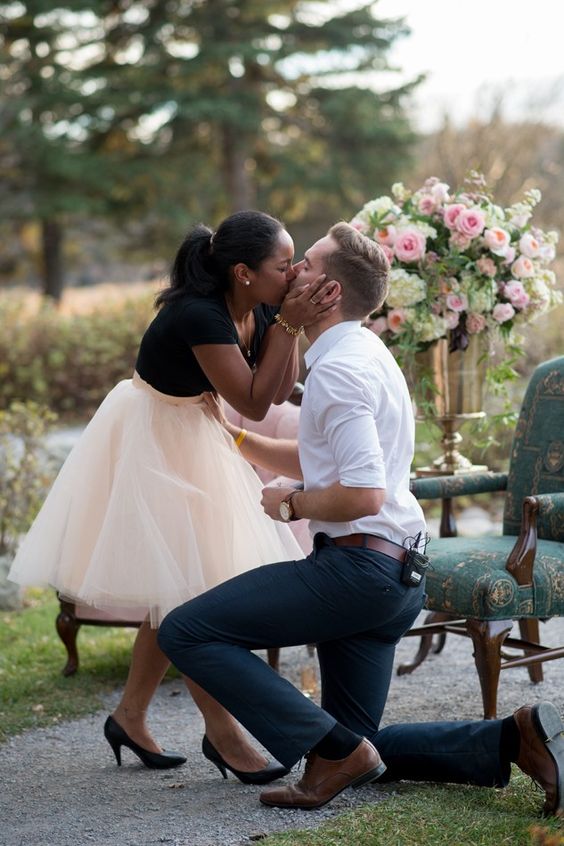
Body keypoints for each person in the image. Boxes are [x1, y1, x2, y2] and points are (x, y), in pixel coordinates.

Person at [157, 222, 564, 815]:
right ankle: (513, 737)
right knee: (356, 745)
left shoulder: (340, 371)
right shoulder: (365, 351)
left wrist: (289, 504)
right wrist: (238, 439)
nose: (292, 271)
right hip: (395, 575)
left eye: (306, 264)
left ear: (328, 291)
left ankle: (334, 754)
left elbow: (363, 493)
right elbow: (324, 455)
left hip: (359, 570)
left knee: (186, 630)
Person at [8, 210, 336, 781]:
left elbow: (279, 390)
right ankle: (223, 732)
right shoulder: (198, 315)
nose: (294, 272)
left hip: (196, 433)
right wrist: (289, 324)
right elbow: (254, 403)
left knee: (180, 589)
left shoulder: (261, 306)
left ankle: (130, 716)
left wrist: (292, 326)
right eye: (284, 264)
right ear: (242, 272)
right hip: (153, 437)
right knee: (191, 593)